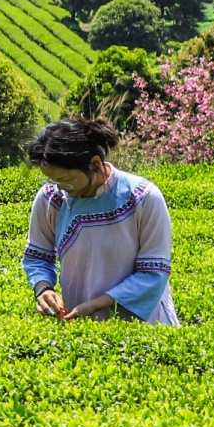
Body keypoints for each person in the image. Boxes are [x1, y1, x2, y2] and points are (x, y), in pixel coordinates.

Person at [21, 116, 176, 325]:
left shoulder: (142, 197)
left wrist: (95, 305)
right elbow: (37, 256)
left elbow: (153, 273)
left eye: (67, 180)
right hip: (80, 325)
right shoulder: (51, 198)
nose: (60, 187)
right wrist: (43, 288)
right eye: (53, 180)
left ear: (95, 163)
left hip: (143, 326)